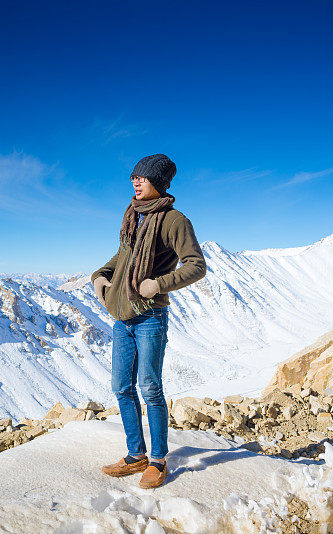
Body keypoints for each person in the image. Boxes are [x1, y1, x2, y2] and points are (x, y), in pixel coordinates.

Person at [91, 153, 207, 489]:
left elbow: (195, 265)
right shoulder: (133, 216)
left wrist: (157, 284)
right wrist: (101, 275)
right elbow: (123, 256)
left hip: (150, 315)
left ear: (158, 182)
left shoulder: (174, 220)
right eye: (133, 177)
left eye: (142, 178)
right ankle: (135, 455)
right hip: (122, 316)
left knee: (151, 388)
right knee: (121, 387)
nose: (135, 182)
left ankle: (158, 460)